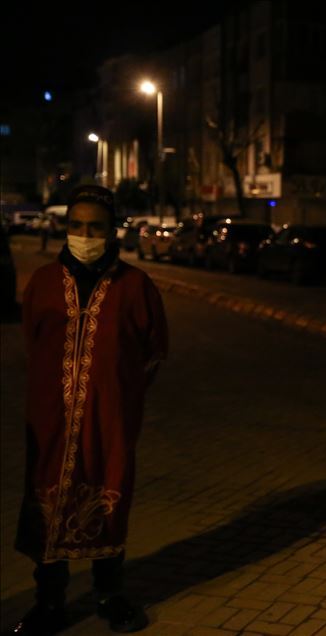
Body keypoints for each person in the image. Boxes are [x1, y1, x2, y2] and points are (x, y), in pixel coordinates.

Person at [14, 185, 168, 634]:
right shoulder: (43, 282)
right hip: (50, 420)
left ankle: (109, 595)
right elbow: (33, 342)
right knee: (48, 502)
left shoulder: (136, 286)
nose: (84, 235)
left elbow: (153, 351)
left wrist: (117, 396)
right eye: (77, 226)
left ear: (111, 231)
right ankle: (49, 602)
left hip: (109, 422)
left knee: (107, 495)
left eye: (95, 227)